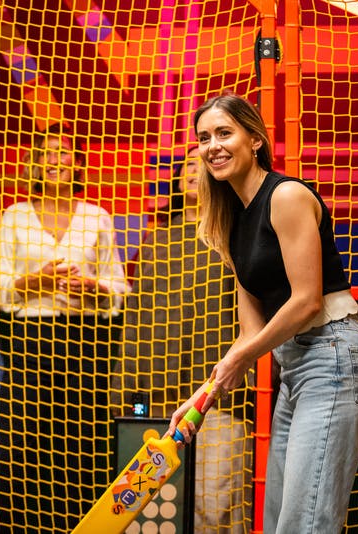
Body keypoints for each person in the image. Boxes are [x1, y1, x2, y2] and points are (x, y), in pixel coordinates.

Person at [167, 93, 358, 534]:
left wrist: (238, 362)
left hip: (333, 360)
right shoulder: (231, 221)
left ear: (255, 140)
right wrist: (201, 399)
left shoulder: (286, 196)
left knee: (305, 525)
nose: (213, 146)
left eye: (225, 133)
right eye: (204, 138)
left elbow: (307, 301)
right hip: (293, 370)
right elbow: (251, 331)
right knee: (279, 521)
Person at [0, 125, 130, 532]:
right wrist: (35, 280)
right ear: (35, 162)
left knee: (79, 443)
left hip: (83, 344)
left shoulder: (97, 217)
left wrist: (92, 286)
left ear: (77, 164)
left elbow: (119, 288)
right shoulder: (14, 216)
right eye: (47, 153)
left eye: (64, 152)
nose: (56, 160)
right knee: (24, 442)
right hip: (28, 344)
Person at [113, 146, 252, 532]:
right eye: (186, 165)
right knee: (157, 513)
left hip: (218, 398)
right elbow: (136, 322)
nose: (193, 169)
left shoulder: (234, 236)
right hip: (159, 400)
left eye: (202, 163)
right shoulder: (157, 242)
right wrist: (126, 390)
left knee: (216, 505)